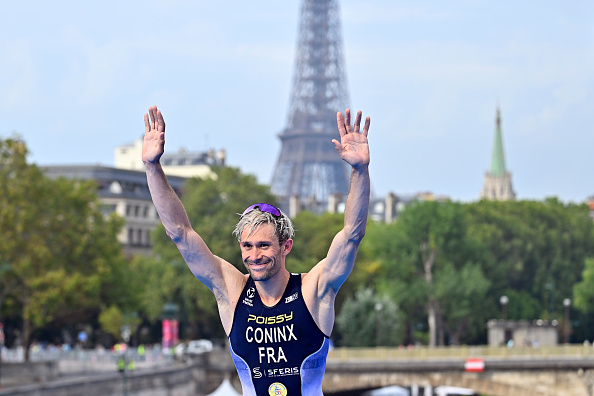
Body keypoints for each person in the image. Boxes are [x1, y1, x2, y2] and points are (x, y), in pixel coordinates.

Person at [142, 105, 371, 396]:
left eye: (264, 245)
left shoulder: (314, 290)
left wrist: (360, 170)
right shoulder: (232, 290)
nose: (254, 255)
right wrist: (152, 167)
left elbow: (352, 235)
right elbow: (180, 234)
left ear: (286, 246)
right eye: (247, 246)